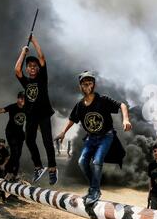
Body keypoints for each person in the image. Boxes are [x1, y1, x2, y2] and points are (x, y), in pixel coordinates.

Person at [55, 71, 132, 205]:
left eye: (90, 83)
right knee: (82, 162)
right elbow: (72, 119)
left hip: (106, 136)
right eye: (84, 84)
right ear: (80, 87)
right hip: (91, 138)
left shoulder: (102, 100)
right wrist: (63, 132)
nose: (87, 86)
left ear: (94, 85)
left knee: (97, 161)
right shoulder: (80, 105)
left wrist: (126, 119)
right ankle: (93, 188)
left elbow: (122, 105)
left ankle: (95, 191)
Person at [15, 35, 58, 185]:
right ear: (27, 69)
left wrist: (33, 41)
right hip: (31, 115)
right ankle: (38, 167)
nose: (32, 68)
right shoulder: (26, 82)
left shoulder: (42, 78)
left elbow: (42, 57)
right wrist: (23, 52)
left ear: (38, 68)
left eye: (35, 66)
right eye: (30, 66)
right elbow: (17, 70)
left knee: (47, 142)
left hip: (44, 114)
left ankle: (52, 169)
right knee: (29, 140)